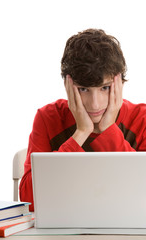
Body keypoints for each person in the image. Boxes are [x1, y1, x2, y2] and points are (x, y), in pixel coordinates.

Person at [19, 29, 146, 211]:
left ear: (121, 83)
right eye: (84, 89)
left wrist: (108, 129)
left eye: (105, 88)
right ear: (68, 86)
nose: (95, 104)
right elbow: (28, 199)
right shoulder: (48, 118)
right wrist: (80, 133)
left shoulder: (141, 119)